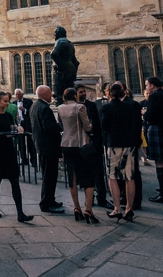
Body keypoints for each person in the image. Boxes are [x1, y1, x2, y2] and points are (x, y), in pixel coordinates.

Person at [0, 91, 34, 223]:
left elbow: (12, 127)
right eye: (5, 101)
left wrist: (18, 129)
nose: (7, 103)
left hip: (9, 151)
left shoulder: (8, 115)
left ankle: (20, 212)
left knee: (15, 181)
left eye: (8, 101)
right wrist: (5, 135)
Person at [100, 82, 141, 221]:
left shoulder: (106, 107)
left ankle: (117, 208)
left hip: (114, 145)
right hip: (129, 144)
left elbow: (104, 126)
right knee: (129, 177)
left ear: (110, 94)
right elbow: (136, 125)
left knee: (113, 177)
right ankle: (129, 208)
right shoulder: (131, 106)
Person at [58, 87, 98, 223]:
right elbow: (87, 127)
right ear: (75, 96)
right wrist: (91, 124)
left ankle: (76, 208)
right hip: (81, 145)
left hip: (66, 145)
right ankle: (88, 209)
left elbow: (62, 126)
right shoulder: (80, 107)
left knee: (72, 177)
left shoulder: (60, 108)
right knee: (88, 177)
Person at [30, 85, 64, 214]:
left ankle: (51, 199)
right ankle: (46, 203)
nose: (52, 95)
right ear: (44, 95)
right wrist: (60, 126)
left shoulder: (35, 106)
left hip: (41, 146)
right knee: (49, 176)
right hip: (48, 147)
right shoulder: (44, 108)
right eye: (50, 93)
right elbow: (48, 127)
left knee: (48, 175)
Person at [77, 84, 109, 210]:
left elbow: (97, 124)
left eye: (84, 91)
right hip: (82, 145)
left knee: (99, 173)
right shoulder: (74, 107)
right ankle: (89, 200)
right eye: (80, 92)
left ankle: (102, 198)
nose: (83, 93)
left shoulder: (91, 105)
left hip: (93, 143)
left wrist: (98, 141)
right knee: (86, 174)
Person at [51, 26, 79, 97]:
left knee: (59, 95)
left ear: (58, 34)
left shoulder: (60, 41)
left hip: (61, 71)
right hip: (70, 69)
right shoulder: (70, 43)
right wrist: (73, 73)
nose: (54, 36)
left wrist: (61, 66)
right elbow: (75, 62)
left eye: (55, 34)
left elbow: (53, 54)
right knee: (70, 93)